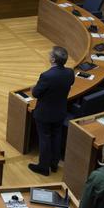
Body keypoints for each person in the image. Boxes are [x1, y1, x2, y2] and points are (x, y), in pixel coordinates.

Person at [29, 46, 75, 176]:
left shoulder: (47, 76)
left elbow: (36, 93)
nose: (49, 55)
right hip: (60, 111)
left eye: (50, 54)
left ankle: (43, 167)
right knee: (56, 136)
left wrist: (34, 89)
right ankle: (54, 164)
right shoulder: (70, 73)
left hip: (44, 113)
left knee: (45, 139)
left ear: (53, 59)